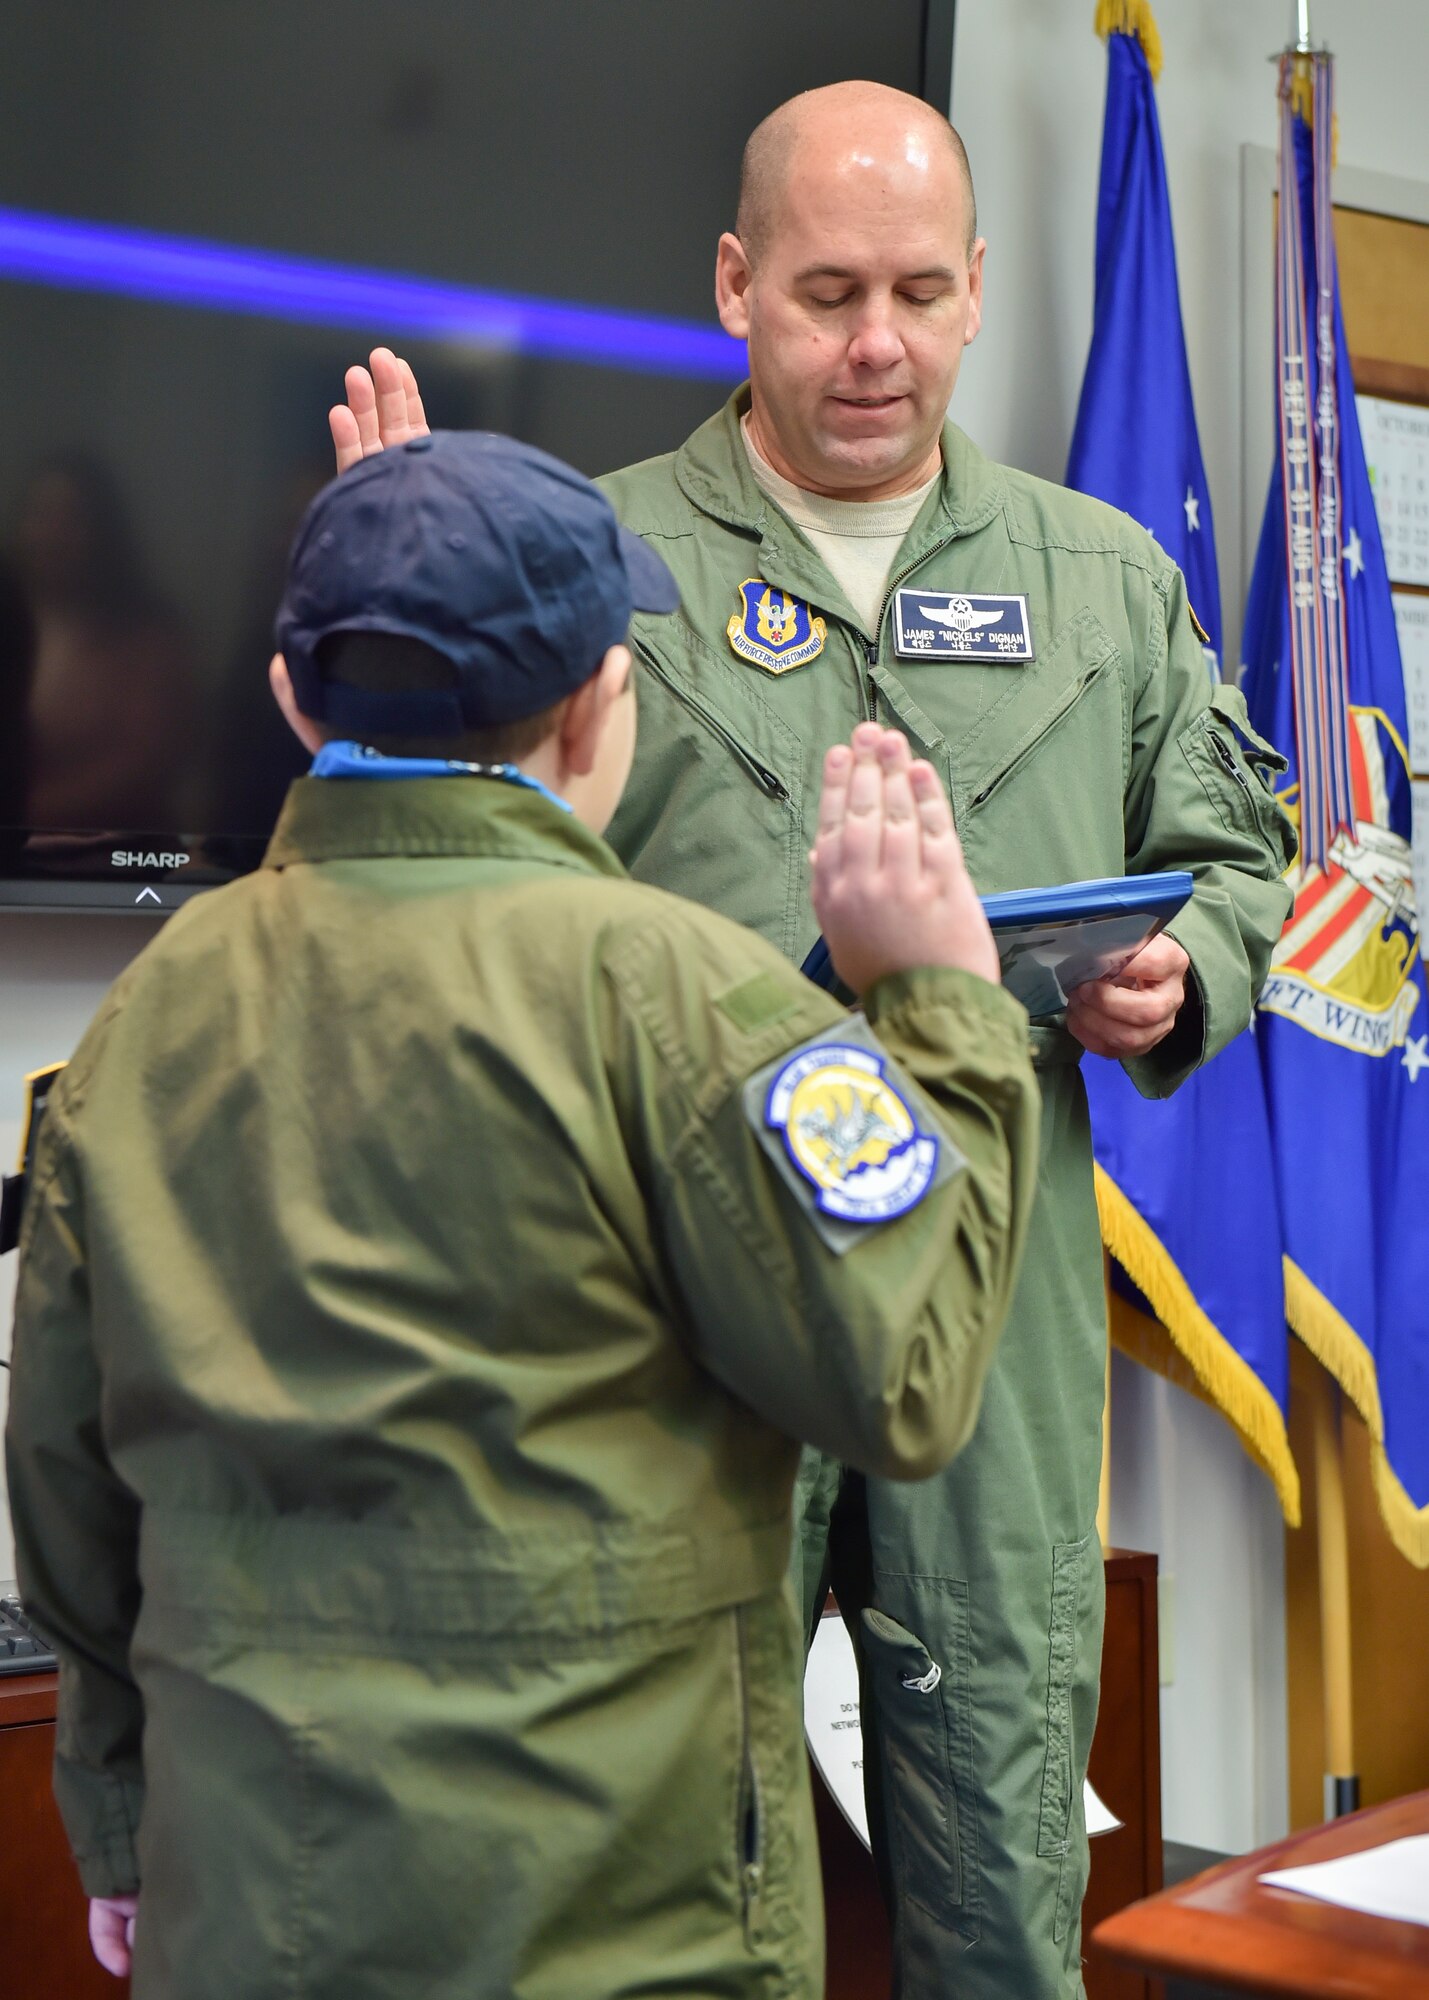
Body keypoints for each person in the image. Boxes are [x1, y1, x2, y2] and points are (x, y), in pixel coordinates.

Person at [329, 79, 1296, 1997]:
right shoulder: (585, 567)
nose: (877, 345)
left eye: (922, 295)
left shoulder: (1099, 578)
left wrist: (1188, 969)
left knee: (1004, 1808)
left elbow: (1239, 853)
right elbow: (431, 879)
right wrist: (408, 583)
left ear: (975, 289)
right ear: (730, 282)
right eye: (826, 291)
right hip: (682, 1301)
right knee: (676, 1843)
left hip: (987, 1289)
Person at [4, 429, 1042, 2000]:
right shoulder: (690, 1000)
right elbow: (906, 1379)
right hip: (624, 1925)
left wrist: (122, 1821)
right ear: (595, 705)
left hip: (246, 1912)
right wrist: (944, 1007)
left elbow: (68, 1502)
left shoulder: (137, 1031)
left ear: (291, 700)